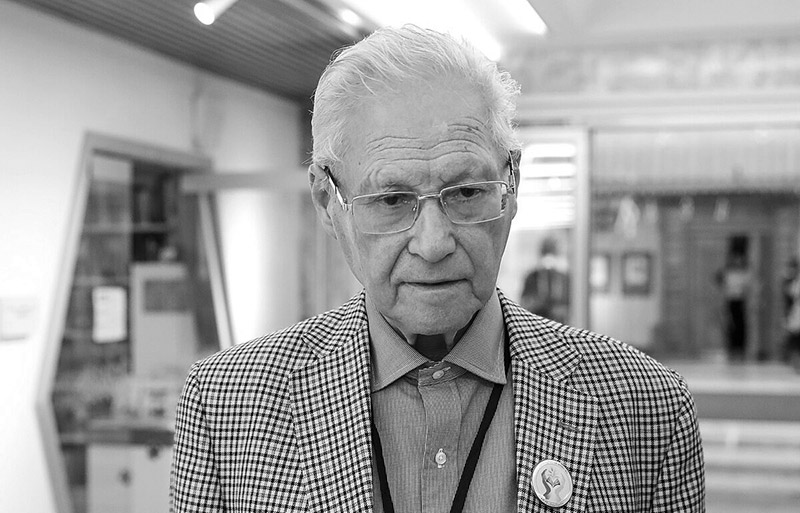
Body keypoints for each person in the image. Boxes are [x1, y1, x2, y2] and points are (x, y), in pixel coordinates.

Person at [171, 25, 704, 512]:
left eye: (467, 192)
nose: (432, 244)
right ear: (328, 203)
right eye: (391, 199)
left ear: (512, 187)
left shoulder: (644, 408)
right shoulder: (227, 406)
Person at [520, 236, 570, 323]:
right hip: (537, 322)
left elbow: (568, 305)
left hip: (559, 324)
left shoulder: (564, 278)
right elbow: (525, 303)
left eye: (552, 253)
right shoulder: (533, 277)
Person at [715, 251, 754, 362]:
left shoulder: (745, 273)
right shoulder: (727, 273)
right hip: (730, 301)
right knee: (730, 326)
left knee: (741, 325)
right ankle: (731, 349)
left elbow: (748, 288)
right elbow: (720, 283)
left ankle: (741, 350)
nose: (737, 261)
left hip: (741, 301)